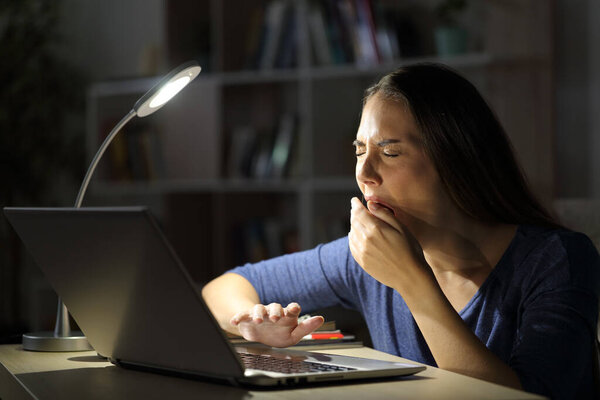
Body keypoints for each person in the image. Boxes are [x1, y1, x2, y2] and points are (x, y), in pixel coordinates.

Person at [202, 63, 600, 399]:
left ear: (457, 159)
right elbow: (226, 286)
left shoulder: (557, 260)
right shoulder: (362, 258)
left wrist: (411, 280)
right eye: (360, 151)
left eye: (390, 152)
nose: (364, 174)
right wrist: (252, 320)